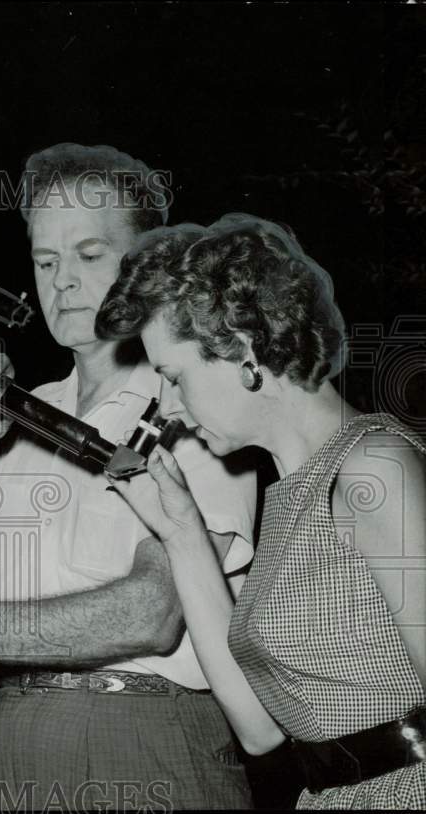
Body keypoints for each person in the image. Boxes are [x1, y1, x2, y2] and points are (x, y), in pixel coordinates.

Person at [0, 144, 259, 810]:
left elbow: (153, 611)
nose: (60, 281)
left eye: (90, 256)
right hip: (10, 733)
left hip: (143, 734)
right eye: (45, 260)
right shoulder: (31, 412)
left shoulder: (197, 405)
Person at [95, 214, 426, 809]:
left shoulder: (374, 469)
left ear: (242, 349)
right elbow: (259, 727)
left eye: (173, 378)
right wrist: (180, 531)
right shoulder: (289, 498)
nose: (165, 407)